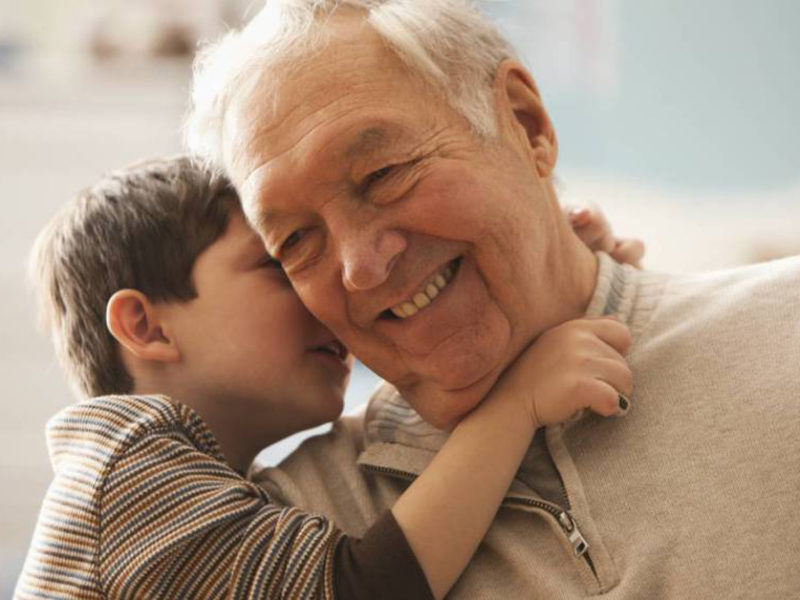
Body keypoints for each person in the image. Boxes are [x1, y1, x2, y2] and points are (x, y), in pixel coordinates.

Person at [184, 0, 800, 597]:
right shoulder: (282, 537)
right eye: (295, 240)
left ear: (526, 124)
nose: (360, 268)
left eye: (382, 174)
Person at [15, 157, 637, 599]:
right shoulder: (125, 477)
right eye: (280, 263)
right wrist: (518, 401)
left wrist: (557, 285)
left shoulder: (185, 479)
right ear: (145, 327)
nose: (330, 288)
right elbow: (359, 587)